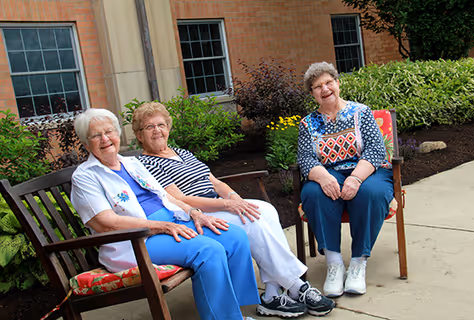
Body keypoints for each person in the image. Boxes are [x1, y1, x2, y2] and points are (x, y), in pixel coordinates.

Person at [132, 102, 336, 318]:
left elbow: (215, 182)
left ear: (168, 127)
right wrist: (226, 204)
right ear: (139, 135)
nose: (157, 131)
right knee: (252, 222)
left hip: (218, 204)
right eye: (149, 127)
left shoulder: (182, 153)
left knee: (266, 210)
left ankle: (273, 293)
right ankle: (296, 286)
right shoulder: (145, 164)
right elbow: (179, 199)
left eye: (161, 125)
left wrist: (234, 197)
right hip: (197, 217)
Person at [70, 108, 260, 320]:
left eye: (109, 131)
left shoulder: (132, 163)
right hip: (137, 240)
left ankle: (233, 310)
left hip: (171, 224)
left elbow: (165, 197)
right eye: (96, 135)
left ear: (117, 134)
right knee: (208, 250)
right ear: (86, 143)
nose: (105, 139)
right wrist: (162, 227)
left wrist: (194, 212)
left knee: (234, 237)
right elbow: (106, 223)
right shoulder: (85, 177)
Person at [297, 62, 394, 298]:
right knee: (313, 193)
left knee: (371, 193)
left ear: (337, 84)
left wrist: (356, 179)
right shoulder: (307, 124)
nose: (325, 89)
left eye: (329, 82)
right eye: (317, 86)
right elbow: (305, 159)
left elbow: (375, 150)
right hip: (329, 173)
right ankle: (334, 263)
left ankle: (359, 262)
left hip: (367, 171)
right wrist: (324, 178)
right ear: (312, 94)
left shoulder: (361, 112)